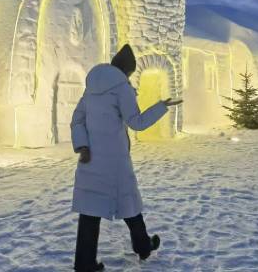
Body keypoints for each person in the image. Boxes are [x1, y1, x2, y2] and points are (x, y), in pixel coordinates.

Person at [69, 44, 183, 271]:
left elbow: (77, 120)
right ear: (127, 70)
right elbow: (136, 122)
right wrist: (162, 106)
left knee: (91, 210)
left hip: (90, 159)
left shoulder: (91, 87)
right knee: (129, 202)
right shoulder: (122, 87)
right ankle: (143, 247)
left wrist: (82, 145)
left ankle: (84, 263)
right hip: (115, 160)